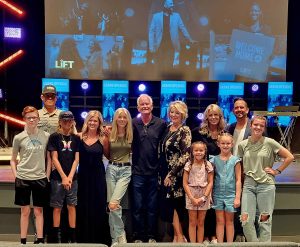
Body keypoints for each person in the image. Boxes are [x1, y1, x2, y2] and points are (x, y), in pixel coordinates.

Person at [238, 115, 294, 242]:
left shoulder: (269, 142)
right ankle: (255, 245)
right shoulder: (242, 145)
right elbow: (240, 164)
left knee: (265, 221)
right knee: (246, 220)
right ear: (251, 125)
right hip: (248, 186)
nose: (258, 127)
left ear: (264, 128)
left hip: (266, 186)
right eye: (255, 124)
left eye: (261, 125)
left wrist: (277, 171)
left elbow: (289, 157)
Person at [10, 106, 50, 245]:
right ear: (24, 119)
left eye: (34, 117)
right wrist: (16, 176)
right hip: (23, 178)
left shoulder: (46, 136)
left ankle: (39, 240)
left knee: (39, 211)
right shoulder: (18, 138)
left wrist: (47, 175)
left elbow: (49, 158)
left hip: (40, 178)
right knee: (25, 211)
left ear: (38, 119)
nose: (32, 120)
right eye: (29, 118)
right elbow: (13, 159)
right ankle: (23, 241)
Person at [131, 94, 167, 243]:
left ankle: (152, 236)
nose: (145, 106)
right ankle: (139, 236)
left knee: (152, 208)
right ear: (138, 107)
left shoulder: (161, 124)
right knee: (138, 207)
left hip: (154, 172)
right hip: (137, 172)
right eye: (142, 104)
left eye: (147, 104)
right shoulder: (132, 123)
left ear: (152, 106)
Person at [191, 103, 226, 244]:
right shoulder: (198, 132)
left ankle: (213, 235)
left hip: (220, 173)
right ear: (206, 117)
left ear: (220, 116)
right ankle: (204, 235)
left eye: (215, 115)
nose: (213, 117)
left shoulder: (224, 132)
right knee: (204, 205)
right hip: (201, 175)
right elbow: (193, 152)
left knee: (214, 204)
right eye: (210, 115)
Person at [76, 110, 110, 244]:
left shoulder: (103, 139)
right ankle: (83, 238)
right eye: (90, 120)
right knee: (83, 205)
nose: (92, 122)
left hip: (98, 177)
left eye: (95, 120)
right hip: (83, 176)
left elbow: (108, 156)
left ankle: (98, 238)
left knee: (98, 206)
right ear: (86, 121)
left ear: (99, 123)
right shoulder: (79, 137)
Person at [159, 101, 191, 242]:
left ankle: (179, 236)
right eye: (172, 112)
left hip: (176, 174)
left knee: (176, 204)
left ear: (182, 114)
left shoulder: (185, 130)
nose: (174, 115)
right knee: (169, 204)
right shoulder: (167, 128)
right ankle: (178, 235)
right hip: (164, 171)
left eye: (177, 112)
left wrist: (171, 174)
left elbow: (186, 155)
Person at [48, 111, 80, 243]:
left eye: (69, 120)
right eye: (64, 120)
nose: (67, 122)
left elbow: (76, 160)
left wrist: (70, 176)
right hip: (57, 177)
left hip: (73, 178)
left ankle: (72, 237)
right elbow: (54, 158)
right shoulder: (54, 137)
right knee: (57, 207)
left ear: (73, 121)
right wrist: (64, 177)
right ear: (60, 122)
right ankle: (56, 237)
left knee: (72, 206)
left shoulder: (76, 138)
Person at [106, 108, 133, 246]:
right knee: (112, 206)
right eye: (119, 117)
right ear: (115, 118)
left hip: (125, 170)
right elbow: (106, 153)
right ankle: (114, 238)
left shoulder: (131, 134)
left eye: (124, 117)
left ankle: (121, 233)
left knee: (114, 203)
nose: (122, 119)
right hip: (111, 169)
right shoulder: (109, 133)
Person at [210, 133, 242, 243]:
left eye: (228, 143)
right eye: (223, 143)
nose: (225, 145)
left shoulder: (236, 160)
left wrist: (237, 197)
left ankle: (229, 244)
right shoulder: (213, 160)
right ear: (218, 144)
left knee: (230, 221)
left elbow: (238, 180)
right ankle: (220, 243)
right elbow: (211, 180)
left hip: (231, 195)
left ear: (232, 144)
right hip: (217, 194)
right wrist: (209, 195)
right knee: (219, 221)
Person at [148, 0, 195, 70]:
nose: (172, 5)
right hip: (159, 45)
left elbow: (183, 28)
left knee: (169, 66)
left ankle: (166, 79)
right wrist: (151, 46)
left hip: (171, 45)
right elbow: (151, 32)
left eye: (172, 4)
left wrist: (189, 39)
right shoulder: (156, 16)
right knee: (159, 66)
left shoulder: (177, 16)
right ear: (165, 5)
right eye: (170, 4)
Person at [183, 141, 214, 243]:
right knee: (192, 222)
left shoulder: (208, 165)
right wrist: (192, 198)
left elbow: (210, 183)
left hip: (204, 195)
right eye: (196, 150)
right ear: (192, 151)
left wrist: (204, 197)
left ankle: (200, 243)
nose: (198, 152)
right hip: (191, 194)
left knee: (201, 222)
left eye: (201, 150)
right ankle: (192, 244)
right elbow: (185, 183)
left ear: (205, 152)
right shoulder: (189, 164)